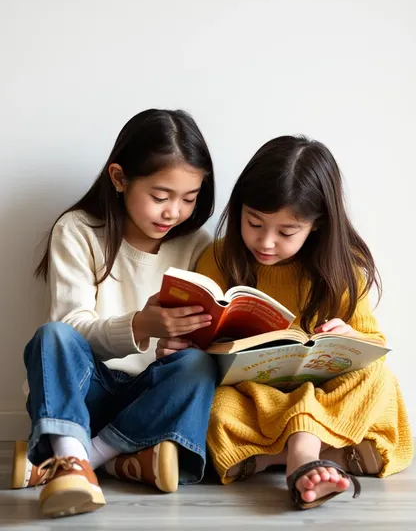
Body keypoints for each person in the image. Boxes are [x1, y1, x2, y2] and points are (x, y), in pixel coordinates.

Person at [159, 134, 413, 510]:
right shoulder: (219, 259)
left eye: (286, 232)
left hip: (325, 395)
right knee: (211, 406)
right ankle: (321, 454)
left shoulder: (342, 271)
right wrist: (182, 344)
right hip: (255, 398)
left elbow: (373, 346)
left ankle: (278, 455)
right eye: (254, 223)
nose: (266, 241)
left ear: (317, 225)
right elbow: (199, 345)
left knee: (379, 380)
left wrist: (350, 336)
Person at [11, 109, 218, 518]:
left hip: (149, 398)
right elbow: (72, 328)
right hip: (84, 394)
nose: (173, 211)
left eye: (189, 199)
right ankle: (105, 459)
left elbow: (198, 342)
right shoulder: (78, 231)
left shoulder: (197, 244)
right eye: (160, 196)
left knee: (198, 367)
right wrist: (141, 325)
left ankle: (80, 459)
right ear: (120, 178)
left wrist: (179, 346)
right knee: (53, 336)